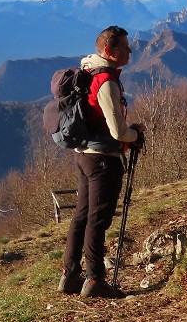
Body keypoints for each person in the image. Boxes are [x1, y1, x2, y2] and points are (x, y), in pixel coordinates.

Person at [59, 25, 144, 298]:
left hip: (83, 155)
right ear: (110, 50)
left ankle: (70, 275)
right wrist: (136, 134)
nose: (130, 50)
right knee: (98, 220)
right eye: (125, 46)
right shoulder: (106, 80)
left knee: (82, 216)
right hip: (103, 160)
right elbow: (118, 131)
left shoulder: (87, 71)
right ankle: (95, 279)